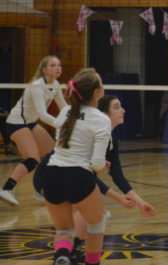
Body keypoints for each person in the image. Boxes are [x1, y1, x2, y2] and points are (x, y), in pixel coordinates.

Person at [33, 94, 156, 262]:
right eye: (117, 107)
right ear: (104, 115)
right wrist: (118, 197)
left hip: (68, 178)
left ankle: (67, 253)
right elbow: (85, 179)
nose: (123, 110)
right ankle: (67, 253)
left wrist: (140, 202)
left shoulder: (110, 140)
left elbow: (117, 176)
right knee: (93, 214)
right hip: (50, 175)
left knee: (96, 214)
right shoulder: (90, 134)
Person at [43, 68, 111, 265]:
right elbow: (98, 164)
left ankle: (62, 256)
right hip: (78, 177)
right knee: (97, 224)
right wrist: (102, 169)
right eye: (101, 83)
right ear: (96, 92)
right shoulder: (101, 119)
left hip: (52, 175)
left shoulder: (65, 111)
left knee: (64, 230)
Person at [0, 56, 66, 206]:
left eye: (59, 65)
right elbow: (43, 115)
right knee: (32, 159)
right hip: (16, 122)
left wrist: (76, 118)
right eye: (53, 65)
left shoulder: (55, 85)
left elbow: (64, 108)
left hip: (29, 122)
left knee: (53, 155)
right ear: (44, 70)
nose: (57, 68)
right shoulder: (37, 86)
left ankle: (41, 190)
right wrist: (61, 126)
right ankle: (6, 189)